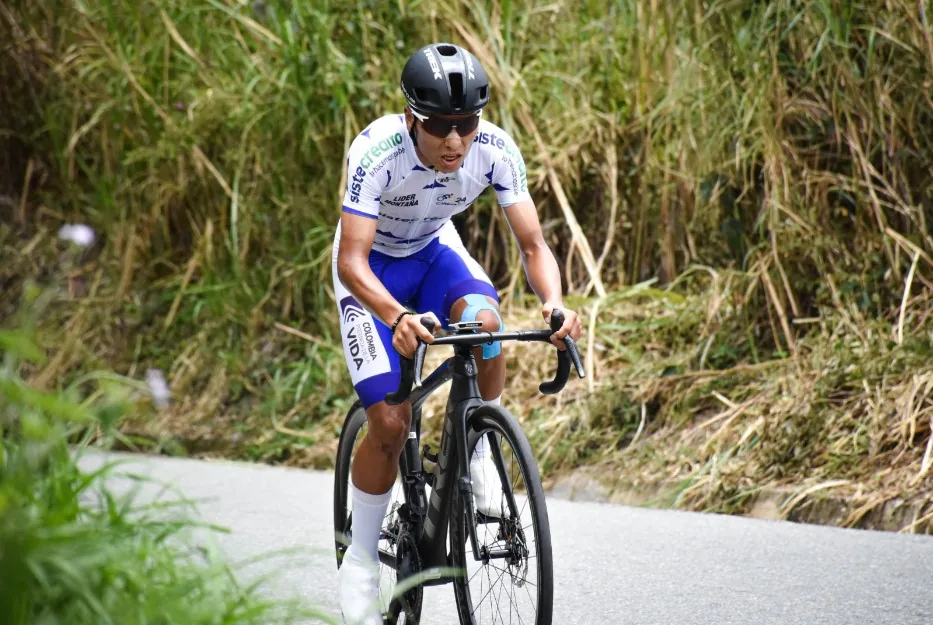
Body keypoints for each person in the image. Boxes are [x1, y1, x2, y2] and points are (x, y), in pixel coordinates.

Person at [332, 42, 582, 625]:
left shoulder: (493, 148)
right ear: (412, 118)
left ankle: (478, 455)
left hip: (436, 250)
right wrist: (395, 316)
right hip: (372, 274)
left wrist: (555, 304)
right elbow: (351, 261)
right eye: (440, 126)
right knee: (390, 424)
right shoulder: (377, 150)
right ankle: (363, 561)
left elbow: (534, 246)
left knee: (486, 323)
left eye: (465, 124)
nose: (454, 141)